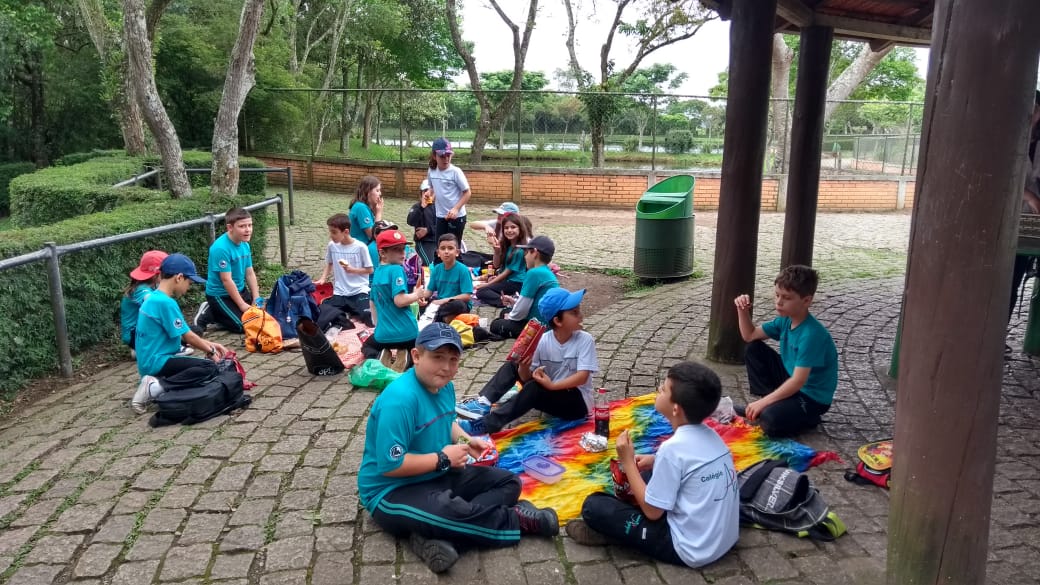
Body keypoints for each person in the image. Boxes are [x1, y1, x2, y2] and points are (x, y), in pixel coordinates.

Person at [357, 323, 558, 574]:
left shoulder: (445, 386)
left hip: (435, 473)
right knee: (447, 511)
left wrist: (466, 441)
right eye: (438, 357)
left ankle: (436, 536)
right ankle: (517, 520)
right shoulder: (400, 400)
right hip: (391, 490)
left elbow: (447, 421)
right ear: (416, 356)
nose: (446, 367)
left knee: (508, 482)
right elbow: (390, 466)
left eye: (453, 359)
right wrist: (443, 459)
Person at [564, 362, 740, 569]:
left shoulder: (672, 449)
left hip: (689, 548)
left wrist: (627, 461)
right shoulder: (713, 436)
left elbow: (653, 512)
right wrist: (655, 461)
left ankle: (615, 535)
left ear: (675, 409)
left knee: (593, 506)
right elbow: (691, 465)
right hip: (724, 538)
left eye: (663, 389)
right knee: (646, 476)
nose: (658, 389)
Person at [457, 287, 598, 436]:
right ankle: (484, 402)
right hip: (552, 393)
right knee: (514, 364)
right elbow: (526, 378)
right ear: (557, 321)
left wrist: (552, 385)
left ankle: (487, 424)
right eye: (574, 313)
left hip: (577, 403)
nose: (581, 316)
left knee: (534, 388)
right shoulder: (543, 340)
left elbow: (582, 377)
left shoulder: (584, 339)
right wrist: (524, 366)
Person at [733, 264, 838, 437]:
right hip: (791, 379)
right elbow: (750, 335)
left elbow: (798, 381)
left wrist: (763, 405)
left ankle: (807, 417)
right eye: (777, 295)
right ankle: (770, 402)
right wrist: (742, 310)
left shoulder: (812, 335)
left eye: (786, 298)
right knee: (754, 348)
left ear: (806, 301)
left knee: (770, 421)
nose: (778, 302)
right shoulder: (785, 320)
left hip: (811, 397)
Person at [132, 254, 230, 414]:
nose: (188, 288)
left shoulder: (154, 298)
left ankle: (159, 382)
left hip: (149, 362)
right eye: (189, 283)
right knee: (208, 367)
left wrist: (211, 344)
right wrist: (211, 351)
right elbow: (188, 337)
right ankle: (157, 386)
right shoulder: (165, 302)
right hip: (158, 361)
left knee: (195, 367)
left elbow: (185, 333)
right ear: (179, 278)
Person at [362, 228, 425, 371]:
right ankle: (406, 357)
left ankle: (381, 355)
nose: (402, 253)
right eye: (396, 250)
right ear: (382, 253)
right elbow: (399, 300)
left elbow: (372, 303)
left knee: (367, 346)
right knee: (422, 349)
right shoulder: (397, 269)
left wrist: (378, 327)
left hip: (383, 336)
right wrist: (416, 294)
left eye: (403, 249)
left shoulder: (377, 272)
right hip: (407, 333)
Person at [195, 207, 260, 334]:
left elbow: (249, 273)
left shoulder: (245, 244)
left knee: (259, 316)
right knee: (245, 326)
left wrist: (256, 297)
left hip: (240, 290)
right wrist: (241, 305)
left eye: (250, 225)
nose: (248, 230)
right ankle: (211, 311)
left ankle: (224, 314)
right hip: (220, 295)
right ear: (230, 227)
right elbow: (226, 280)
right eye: (242, 226)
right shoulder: (221, 249)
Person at [1007, 90, 1040, 344]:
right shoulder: (1003, 136)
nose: (1032, 113)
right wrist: (1028, 196)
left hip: (1030, 223)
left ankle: (998, 335)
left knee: (1014, 280)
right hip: (1004, 218)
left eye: (1036, 108)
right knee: (1001, 282)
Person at [120, 250, 191, 358]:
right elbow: (154, 303)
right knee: (182, 332)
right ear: (158, 274)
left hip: (146, 332)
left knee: (194, 331)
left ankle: (145, 348)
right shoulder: (140, 289)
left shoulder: (154, 286)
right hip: (135, 334)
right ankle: (170, 348)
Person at [489, 235, 559, 339]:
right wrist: (514, 302)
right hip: (547, 323)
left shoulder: (534, 273)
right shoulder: (547, 272)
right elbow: (531, 302)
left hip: (538, 326)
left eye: (526, 252)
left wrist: (510, 317)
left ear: (535, 253)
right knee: (505, 312)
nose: (525, 256)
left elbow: (522, 308)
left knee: (495, 324)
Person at [315, 213, 374, 326]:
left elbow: (370, 270)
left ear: (346, 232)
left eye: (334, 232)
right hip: (340, 292)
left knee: (368, 316)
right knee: (322, 313)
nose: (331, 236)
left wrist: (353, 270)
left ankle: (350, 312)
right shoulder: (332, 245)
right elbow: (329, 263)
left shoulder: (361, 247)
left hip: (359, 291)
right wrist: (323, 278)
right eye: (330, 232)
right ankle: (347, 315)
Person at [474, 212, 530, 308]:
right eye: (506, 228)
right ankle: (507, 298)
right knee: (484, 287)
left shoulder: (519, 250)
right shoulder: (507, 245)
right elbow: (496, 265)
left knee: (482, 291)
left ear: (520, 229)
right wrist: (497, 252)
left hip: (516, 283)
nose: (509, 230)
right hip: (507, 281)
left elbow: (507, 272)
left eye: (513, 227)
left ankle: (506, 302)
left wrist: (488, 284)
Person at [427, 138, 471, 256]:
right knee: (440, 248)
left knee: (453, 249)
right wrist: (429, 193)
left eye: (448, 155)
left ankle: (458, 266)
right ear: (434, 156)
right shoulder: (431, 171)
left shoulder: (455, 172)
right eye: (442, 156)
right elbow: (432, 188)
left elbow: (467, 193)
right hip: (440, 215)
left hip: (456, 216)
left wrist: (456, 209)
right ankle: (438, 266)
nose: (446, 159)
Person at [419, 234, 473, 312]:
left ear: (457, 252)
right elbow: (429, 292)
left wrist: (443, 301)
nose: (446, 251)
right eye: (443, 248)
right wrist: (419, 296)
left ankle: (439, 315)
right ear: (438, 253)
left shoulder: (463, 270)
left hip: (456, 303)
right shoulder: (436, 269)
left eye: (450, 248)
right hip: (441, 303)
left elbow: (467, 296)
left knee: (457, 305)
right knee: (420, 303)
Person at [407, 179, 438, 266]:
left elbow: (442, 225)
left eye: (431, 192)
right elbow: (410, 221)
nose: (428, 194)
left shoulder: (439, 207)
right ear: (421, 193)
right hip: (424, 242)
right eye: (425, 191)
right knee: (430, 264)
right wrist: (422, 207)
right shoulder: (417, 207)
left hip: (437, 241)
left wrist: (428, 230)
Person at [349, 175, 383, 245]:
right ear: (368, 192)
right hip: (361, 247)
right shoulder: (361, 208)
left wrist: (375, 210)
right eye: (377, 190)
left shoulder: (365, 207)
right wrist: (378, 213)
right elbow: (373, 235)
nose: (380, 193)